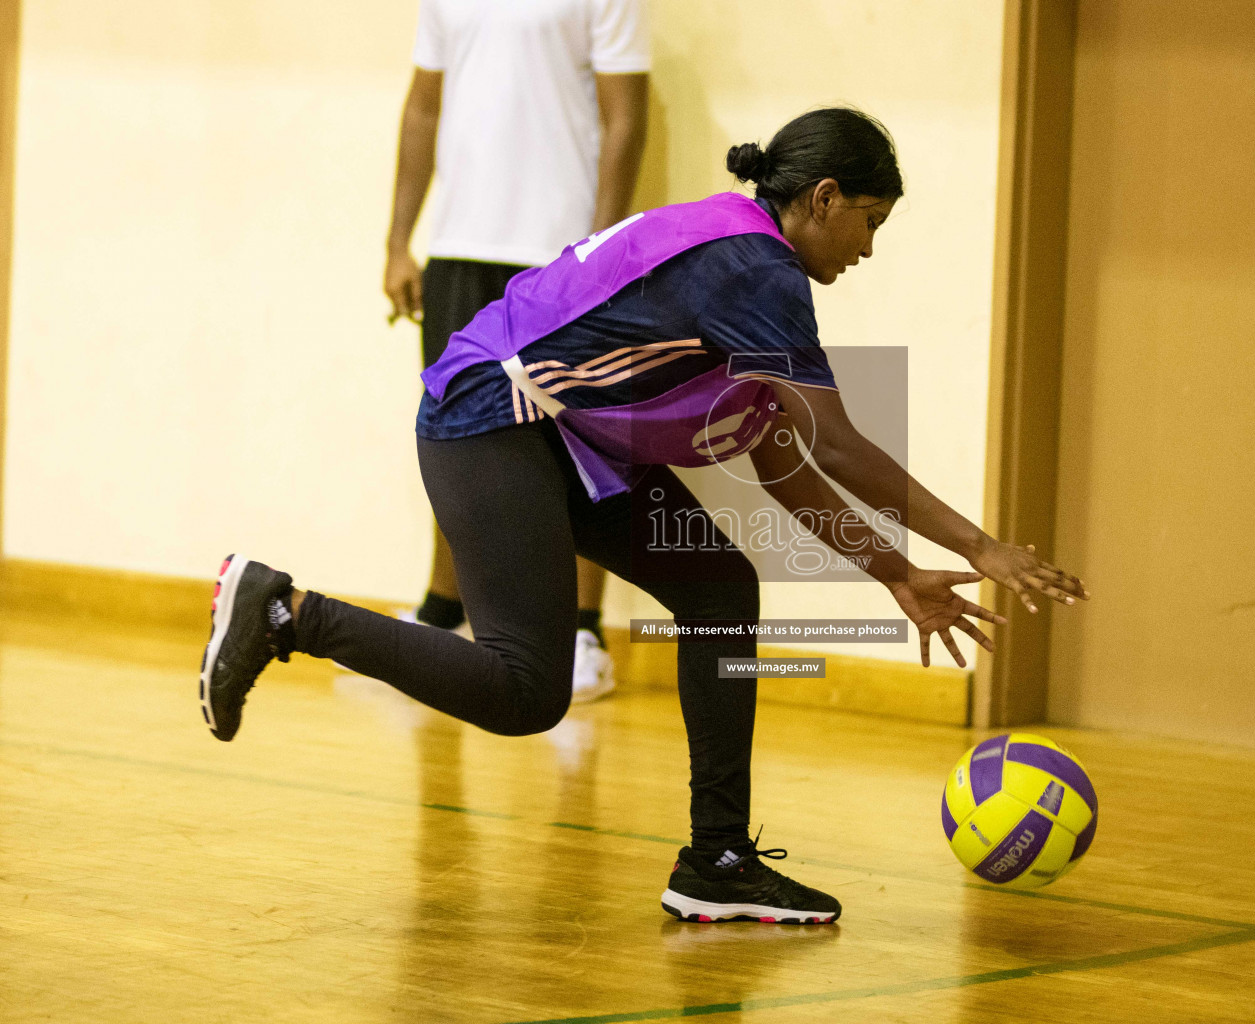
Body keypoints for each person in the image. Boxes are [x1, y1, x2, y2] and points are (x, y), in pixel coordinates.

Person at [198, 108, 1087, 925]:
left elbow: (785, 461)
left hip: (554, 429)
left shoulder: (742, 260)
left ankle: (718, 859)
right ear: (824, 199)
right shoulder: (755, 269)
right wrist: (982, 546)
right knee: (525, 691)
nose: (868, 247)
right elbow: (839, 445)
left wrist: (895, 572)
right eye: (871, 221)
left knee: (719, 585)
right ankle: (285, 611)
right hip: (490, 419)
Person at [384, 0, 650, 701]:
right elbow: (423, 110)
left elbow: (627, 118)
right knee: (456, 433)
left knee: (577, 441)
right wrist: (398, 241)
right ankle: (443, 615)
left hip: (555, 251)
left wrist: (595, 257)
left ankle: (583, 634)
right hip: (459, 251)